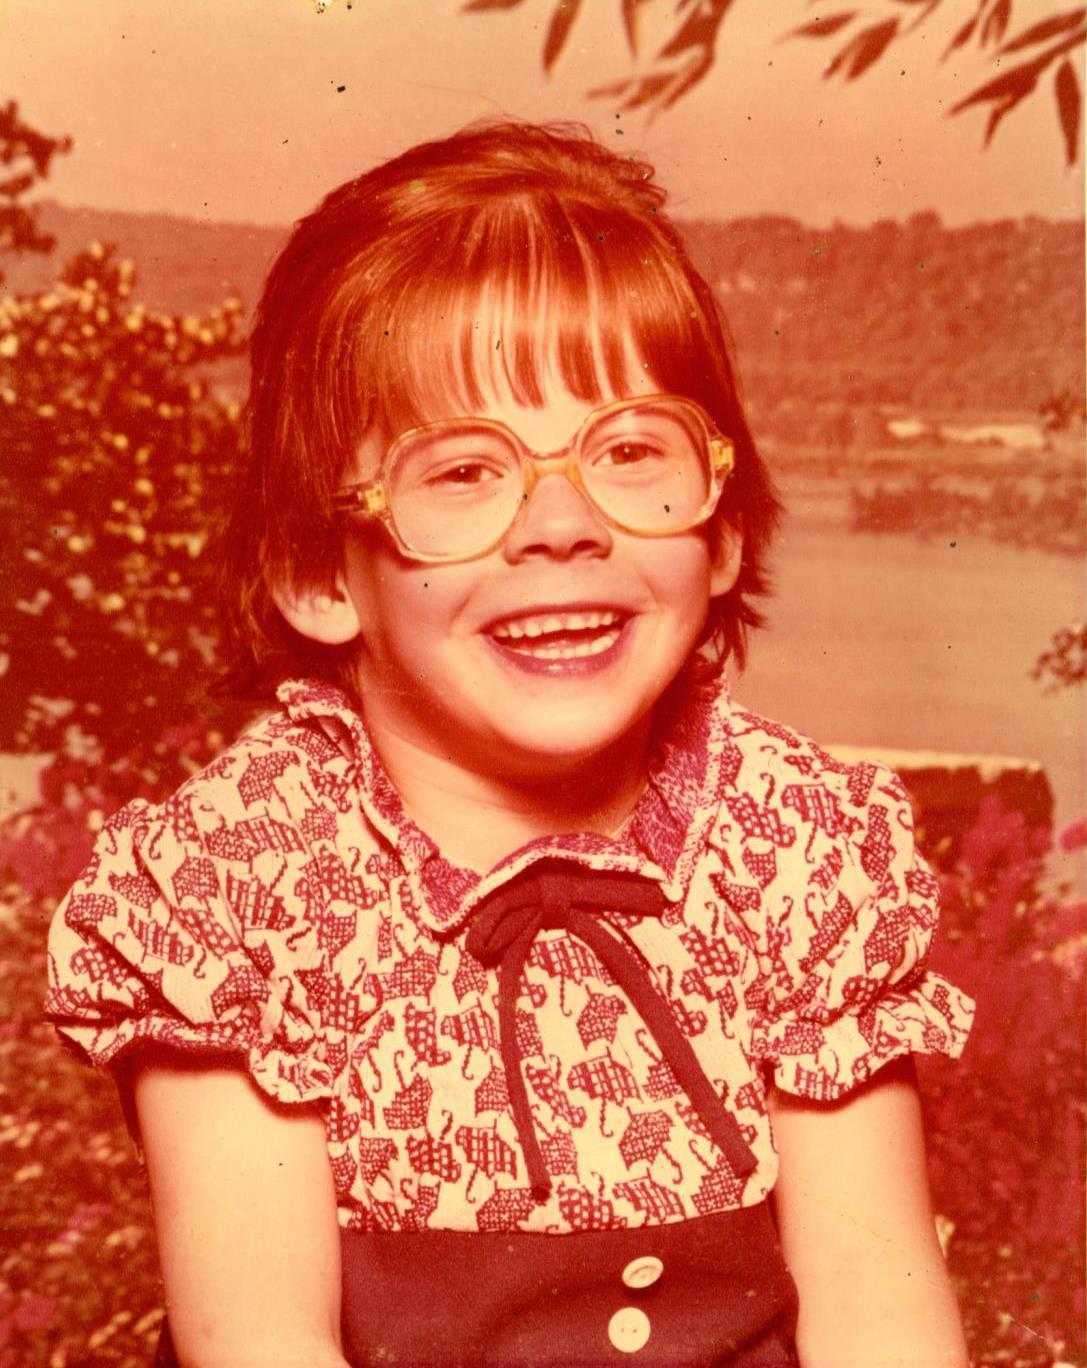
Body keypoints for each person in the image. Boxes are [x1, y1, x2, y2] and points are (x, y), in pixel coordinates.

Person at [46, 121, 974, 1368]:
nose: (559, 524)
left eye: (629, 452)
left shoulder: (793, 849)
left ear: (722, 528)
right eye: (462, 473)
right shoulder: (245, 885)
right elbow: (260, 1338)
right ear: (319, 571)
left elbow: (878, 1306)